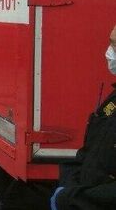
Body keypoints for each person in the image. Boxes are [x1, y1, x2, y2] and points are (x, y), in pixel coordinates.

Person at [50, 24, 116, 210]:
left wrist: (72, 199)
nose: (109, 52)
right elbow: (88, 153)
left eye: (114, 45)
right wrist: (67, 187)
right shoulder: (113, 100)